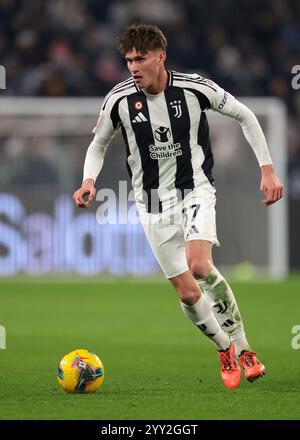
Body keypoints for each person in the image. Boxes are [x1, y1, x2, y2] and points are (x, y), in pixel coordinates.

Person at [73, 24, 283, 389]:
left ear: (160, 57)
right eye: (128, 60)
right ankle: (224, 348)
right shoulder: (119, 100)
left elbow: (246, 115)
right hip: (151, 203)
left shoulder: (194, 87)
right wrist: (89, 179)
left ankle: (245, 348)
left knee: (199, 265)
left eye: (140, 59)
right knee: (187, 292)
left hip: (195, 189)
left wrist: (267, 169)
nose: (133, 67)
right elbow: (98, 144)